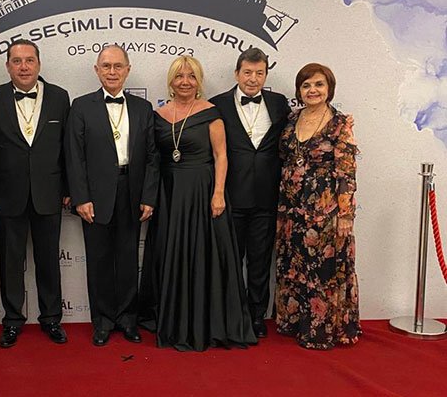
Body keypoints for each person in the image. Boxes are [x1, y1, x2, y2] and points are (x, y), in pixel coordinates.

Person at [139, 56, 257, 351]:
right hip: (168, 195)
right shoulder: (158, 115)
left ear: (199, 81)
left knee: (203, 256)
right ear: (171, 80)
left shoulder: (211, 113)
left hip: (202, 192)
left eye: (191, 76)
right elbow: (152, 160)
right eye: (179, 76)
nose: (185, 82)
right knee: (169, 253)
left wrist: (218, 193)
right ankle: (173, 320)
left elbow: (221, 156)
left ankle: (204, 323)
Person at [65, 45, 159, 346]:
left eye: (118, 66)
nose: (112, 71)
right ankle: (103, 321)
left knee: (129, 259)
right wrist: (81, 197)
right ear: (97, 70)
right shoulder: (81, 106)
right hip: (95, 196)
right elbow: (74, 156)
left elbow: (152, 157)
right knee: (99, 260)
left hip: (132, 191)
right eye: (106, 66)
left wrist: (148, 196)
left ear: (128, 70)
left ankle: (128, 320)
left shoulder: (143, 108)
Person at [0, 39, 70, 348]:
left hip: (49, 192)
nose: (23, 66)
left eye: (29, 60)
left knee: (49, 260)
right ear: (8, 66)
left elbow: (67, 149)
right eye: (17, 61)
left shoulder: (60, 97)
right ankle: (12, 321)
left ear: (39, 64)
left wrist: (68, 189)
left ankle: (52, 318)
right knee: (11, 261)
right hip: (8, 193)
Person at [275, 62, 361, 349]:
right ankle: (294, 323)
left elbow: (347, 171)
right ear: (299, 91)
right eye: (306, 85)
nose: (312, 90)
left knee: (323, 269)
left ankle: (321, 331)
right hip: (291, 208)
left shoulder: (340, 123)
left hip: (326, 210)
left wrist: (345, 214)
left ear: (329, 88)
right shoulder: (291, 119)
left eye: (319, 84)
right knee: (295, 264)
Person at [209, 47, 290, 338]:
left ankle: (257, 315)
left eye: (259, 73)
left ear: (266, 75)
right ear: (236, 73)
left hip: (267, 199)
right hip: (230, 198)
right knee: (229, 261)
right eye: (247, 72)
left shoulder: (279, 104)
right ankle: (232, 316)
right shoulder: (217, 105)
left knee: (259, 262)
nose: (253, 79)